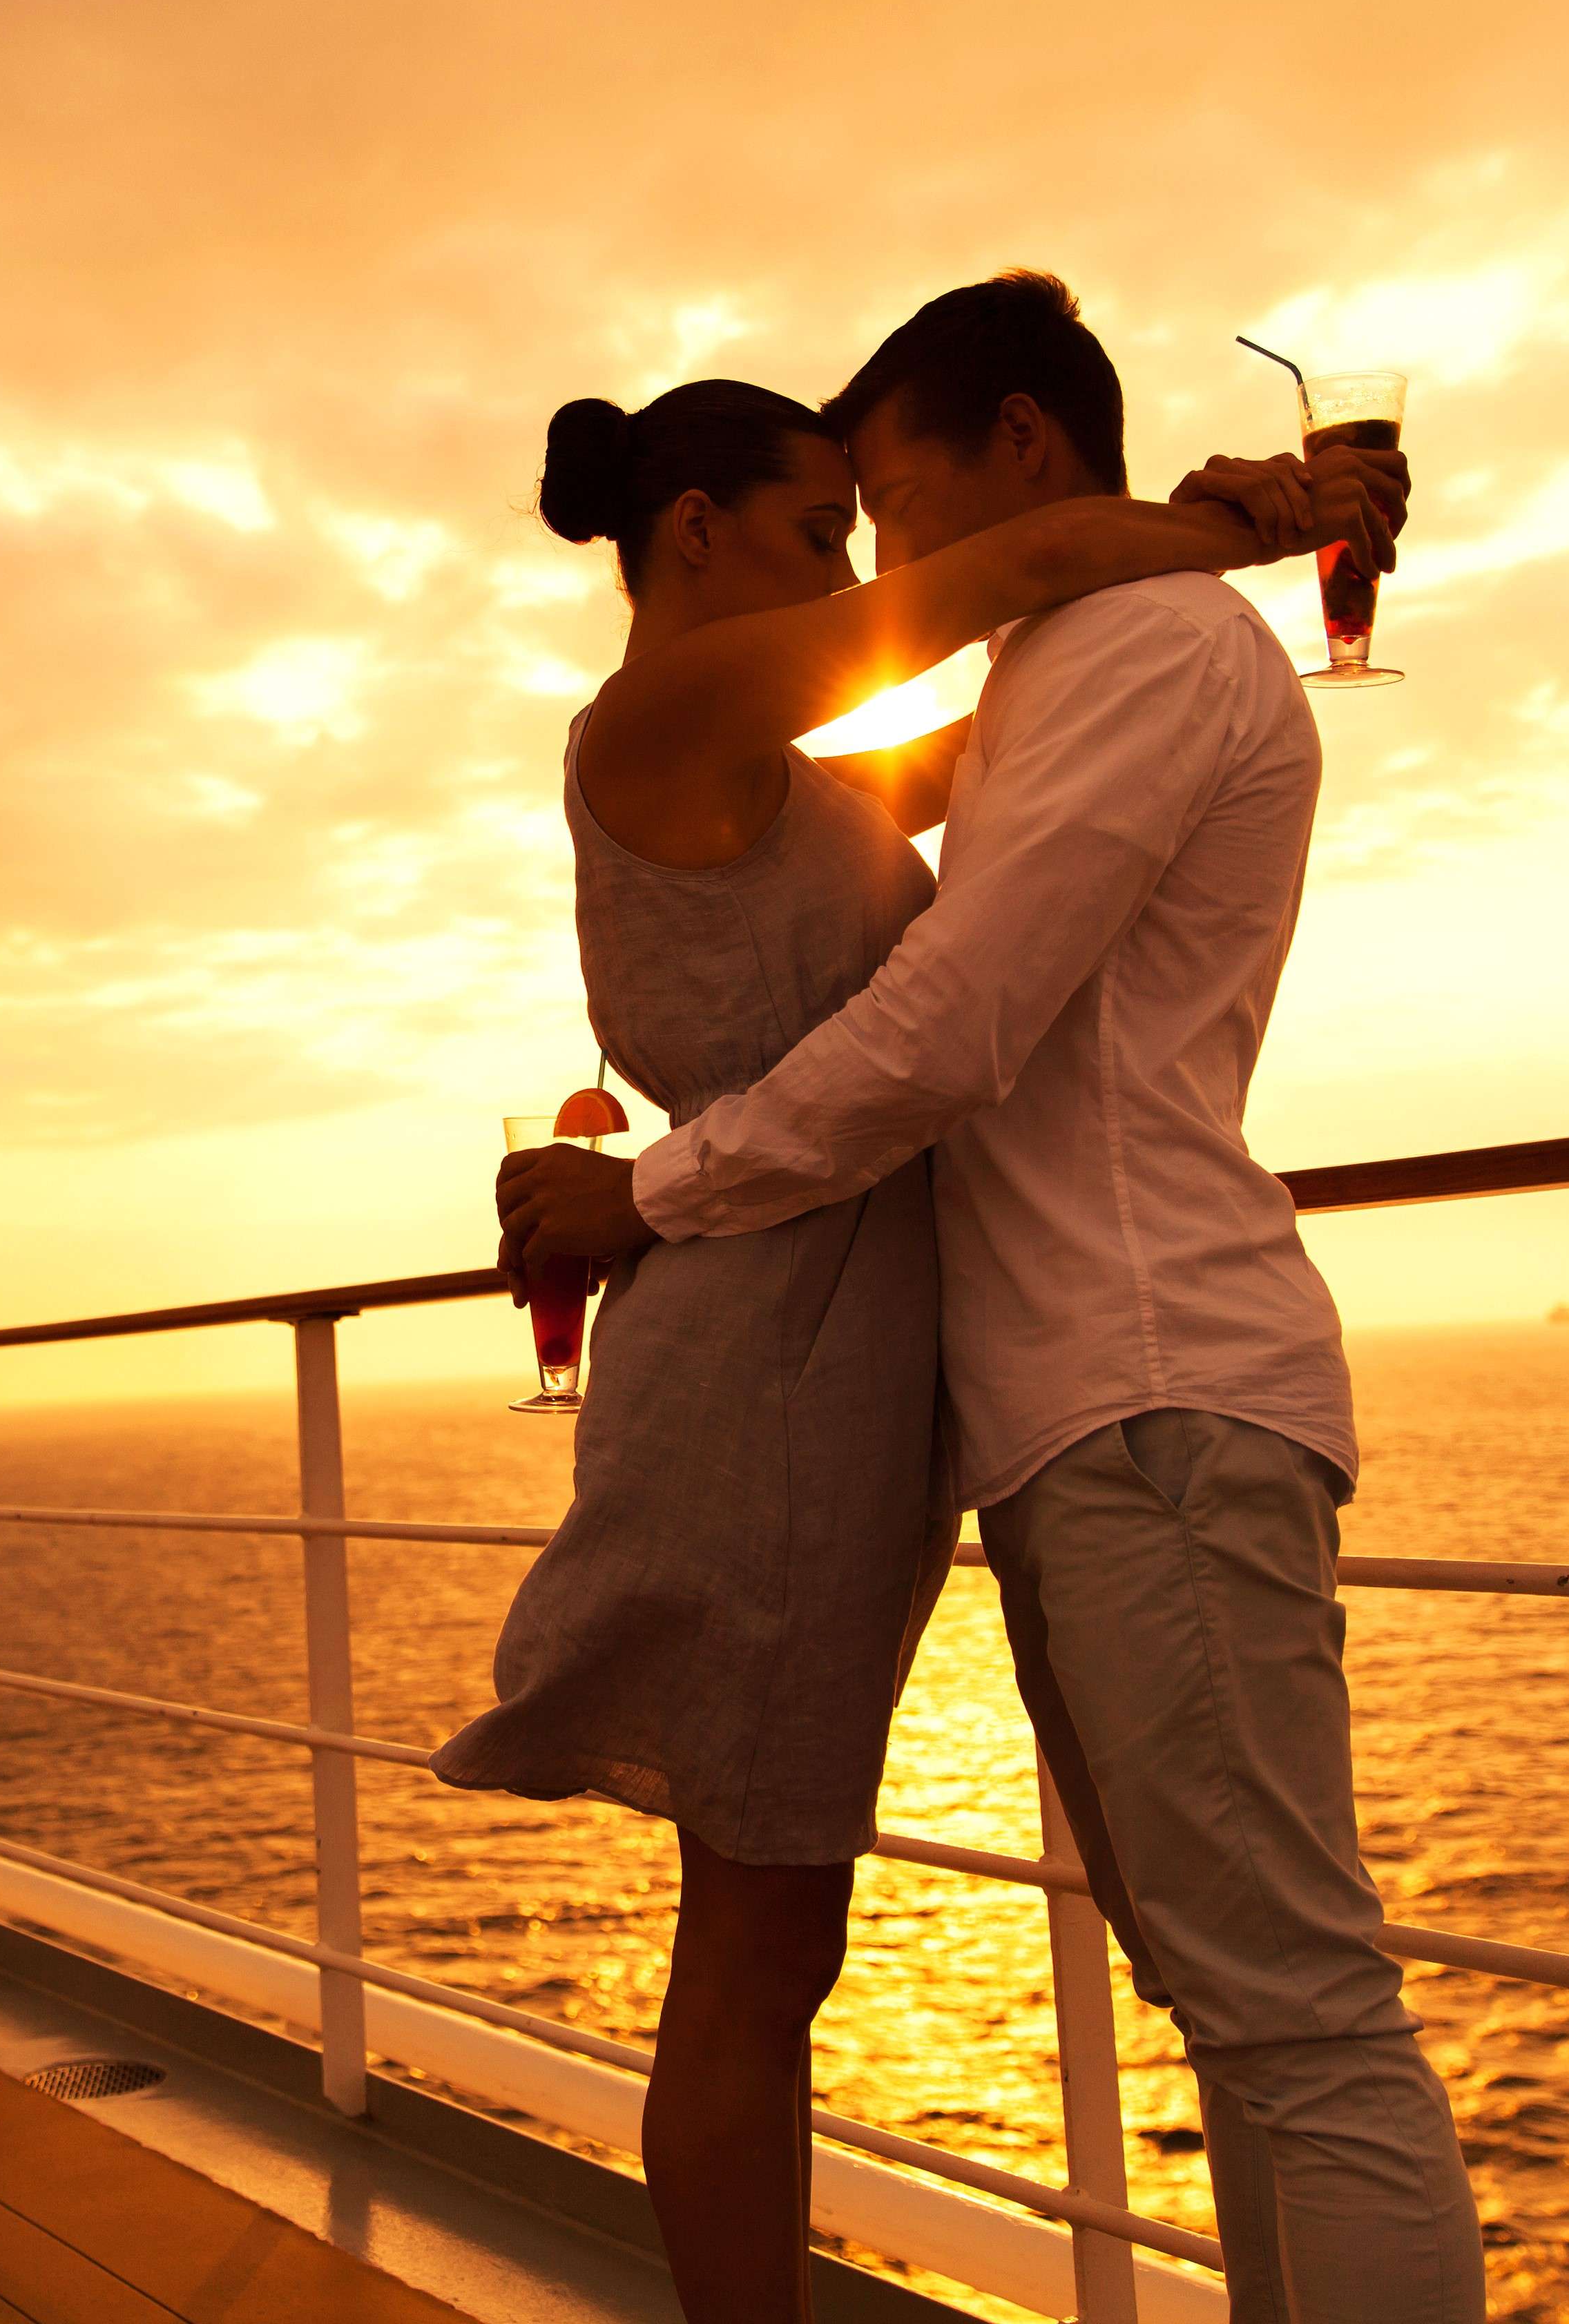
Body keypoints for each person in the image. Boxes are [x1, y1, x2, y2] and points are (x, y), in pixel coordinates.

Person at [499, 271, 1481, 2323]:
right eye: (818, 526)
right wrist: (1255, 515)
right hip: (779, 1365)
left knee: (881, 1958)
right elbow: (1022, 577)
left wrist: (1186, 548)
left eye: (879, 507)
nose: (865, 559)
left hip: (928, 1376)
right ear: (699, 537)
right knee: (767, 1951)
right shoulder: (668, 718)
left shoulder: (858, 762)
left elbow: (1001, 700)